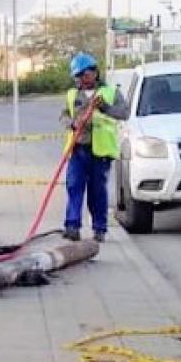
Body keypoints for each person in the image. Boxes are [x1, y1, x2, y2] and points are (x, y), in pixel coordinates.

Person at [60, 52, 127, 243]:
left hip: (101, 152)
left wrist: (105, 107)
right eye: (78, 75)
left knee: (97, 191)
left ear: (95, 72)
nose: (82, 78)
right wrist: (72, 123)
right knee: (74, 187)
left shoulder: (111, 92)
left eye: (85, 74)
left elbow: (123, 113)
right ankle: (72, 226)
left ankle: (99, 229)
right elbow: (63, 115)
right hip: (78, 149)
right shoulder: (72, 94)